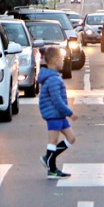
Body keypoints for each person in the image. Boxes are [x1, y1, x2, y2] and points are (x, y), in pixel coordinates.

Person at [38, 45, 77, 179]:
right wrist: (69, 112)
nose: (63, 61)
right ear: (54, 61)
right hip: (54, 114)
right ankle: (52, 168)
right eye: (61, 58)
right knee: (53, 141)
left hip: (59, 115)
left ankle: (48, 158)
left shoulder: (55, 77)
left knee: (71, 138)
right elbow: (57, 100)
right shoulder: (53, 79)